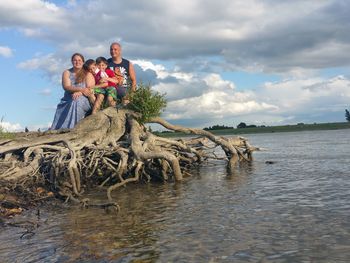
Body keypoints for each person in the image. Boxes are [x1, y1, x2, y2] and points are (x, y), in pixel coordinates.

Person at [51, 53, 95, 130]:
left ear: (83, 62)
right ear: (72, 61)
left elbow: (90, 89)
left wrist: (80, 93)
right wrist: (81, 89)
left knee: (76, 101)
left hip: (84, 99)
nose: (77, 62)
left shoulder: (88, 74)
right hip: (67, 98)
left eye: (79, 60)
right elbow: (66, 87)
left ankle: (72, 129)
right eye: (75, 60)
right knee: (71, 101)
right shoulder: (67, 72)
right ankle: (58, 130)